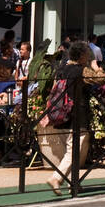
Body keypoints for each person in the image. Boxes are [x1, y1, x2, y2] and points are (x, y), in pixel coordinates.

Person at [37, 40, 93, 195]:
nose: (88, 57)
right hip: (77, 113)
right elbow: (100, 79)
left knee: (71, 149)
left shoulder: (61, 69)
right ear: (82, 55)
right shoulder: (81, 70)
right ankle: (57, 178)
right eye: (87, 54)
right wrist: (94, 65)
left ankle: (73, 182)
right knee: (75, 150)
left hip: (61, 113)